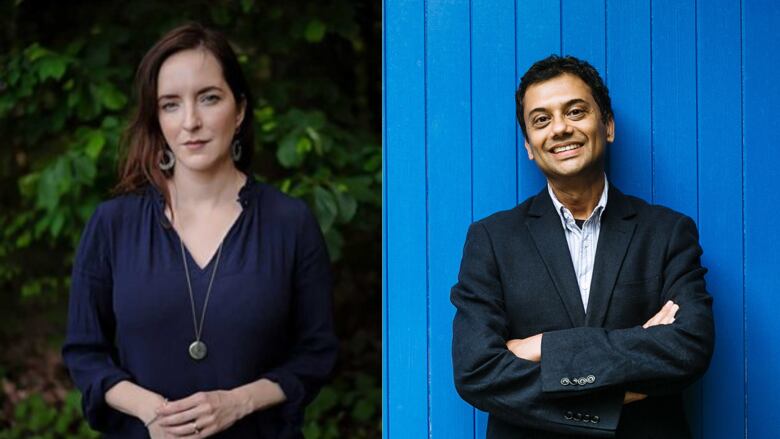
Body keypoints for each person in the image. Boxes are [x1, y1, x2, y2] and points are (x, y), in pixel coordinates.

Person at [62, 23, 338, 438]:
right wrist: (152, 412)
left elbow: (316, 353)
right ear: (156, 118)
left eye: (209, 98)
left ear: (239, 109)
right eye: (170, 104)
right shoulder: (112, 225)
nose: (190, 121)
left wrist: (237, 403)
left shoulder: (290, 222)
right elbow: (85, 352)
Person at [451, 55, 714, 438]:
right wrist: (628, 365)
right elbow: (476, 371)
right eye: (541, 119)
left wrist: (540, 346)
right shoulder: (491, 239)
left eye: (575, 111)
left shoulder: (668, 232)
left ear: (607, 125)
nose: (560, 129)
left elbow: (689, 347)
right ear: (529, 144)